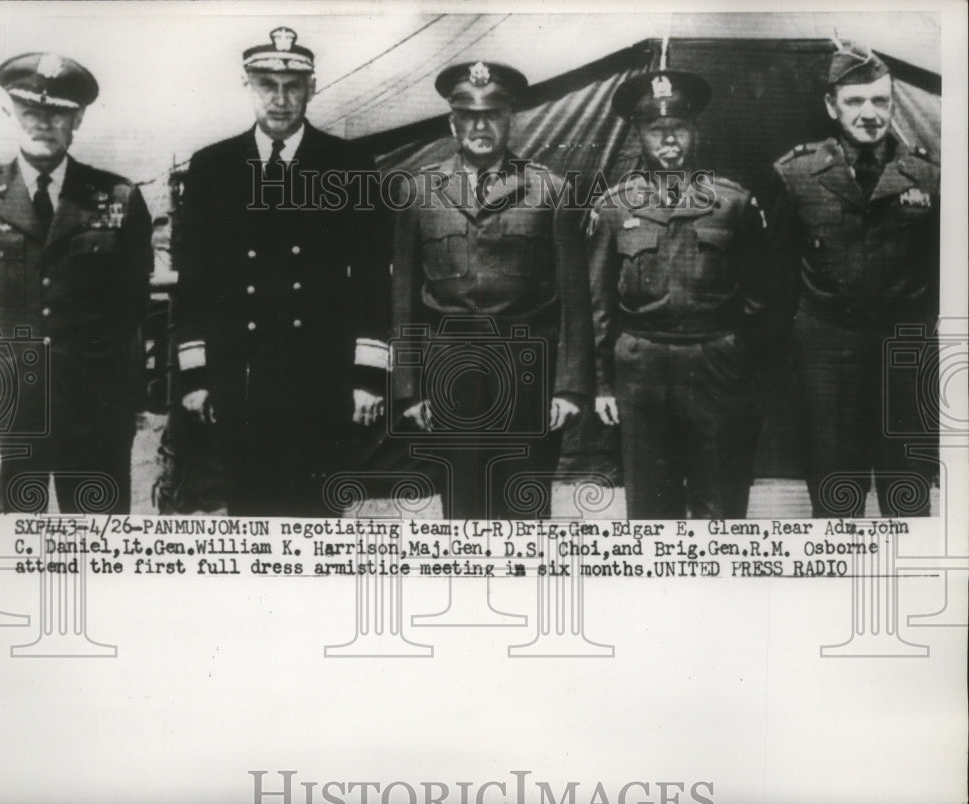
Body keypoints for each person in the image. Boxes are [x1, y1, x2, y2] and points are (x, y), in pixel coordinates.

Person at [175, 27, 391, 517]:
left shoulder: (349, 164)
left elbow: (374, 277)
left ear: (312, 88)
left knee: (317, 514)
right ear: (248, 86)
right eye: (266, 84)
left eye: (292, 86)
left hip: (322, 378)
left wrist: (368, 377)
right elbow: (195, 281)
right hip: (240, 379)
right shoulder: (213, 166)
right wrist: (196, 376)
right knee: (249, 511)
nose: (280, 98)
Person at [390, 61, 591, 519]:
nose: (481, 126)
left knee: (525, 511)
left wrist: (570, 388)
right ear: (452, 121)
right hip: (450, 376)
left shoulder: (550, 190)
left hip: (528, 374)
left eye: (493, 114)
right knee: (462, 511)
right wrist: (407, 389)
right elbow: (402, 301)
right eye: (469, 115)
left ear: (510, 118)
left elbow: (575, 304)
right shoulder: (419, 192)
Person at [586, 69, 770, 518]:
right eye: (657, 130)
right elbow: (599, 303)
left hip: (716, 362)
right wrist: (604, 383)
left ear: (695, 132)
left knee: (721, 501)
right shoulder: (614, 207)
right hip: (644, 365)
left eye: (680, 129)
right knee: (651, 504)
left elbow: (761, 294)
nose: (670, 141)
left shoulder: (732, 203)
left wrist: (738, 356)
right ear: (639, 136)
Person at [769, 42, 939, 517]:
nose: (869, 114)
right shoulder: (797, 174)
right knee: (835, 497)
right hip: (828, 355)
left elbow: (942, 271)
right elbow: (778, 278)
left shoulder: (928, 175)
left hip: (903, 355)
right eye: (855, 101)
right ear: (831, 106)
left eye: (880, 101)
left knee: (907, 497)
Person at [0, 52, 152, 514]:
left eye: (57, 112)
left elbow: (132, 309)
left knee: (98, 546)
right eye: (30, 110)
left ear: (77, 117)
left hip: (94, 409)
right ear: (10, 113)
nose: (42, 122)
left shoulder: (117, 197)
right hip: (14, 407)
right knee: (16, 550)